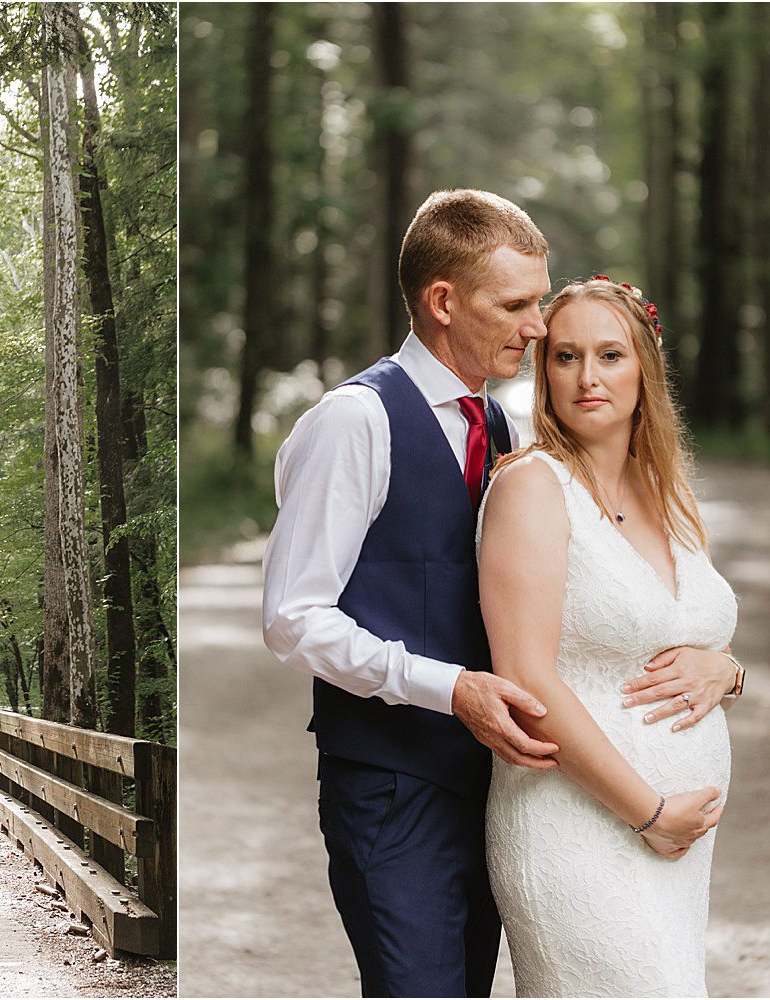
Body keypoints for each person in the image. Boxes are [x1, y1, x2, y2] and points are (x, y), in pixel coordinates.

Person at [262, 189, 562, 997]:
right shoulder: (354, 421)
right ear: (442, 302)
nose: (538, 327)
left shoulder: (496, 427)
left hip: (487, 788)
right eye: (516, 304)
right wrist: (448, 687)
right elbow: (293, 621)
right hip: (390, 792)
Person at [477, 276, 740, 996]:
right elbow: (527, 679)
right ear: (544, 372)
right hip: (576, 822)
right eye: (564, 357)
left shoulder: (668, 493)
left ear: (644, 369)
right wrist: (648, 811)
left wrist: (728, 670)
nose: (587, 377)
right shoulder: (532, 486)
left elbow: (692, 632)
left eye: (609, 355)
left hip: (677, 843)